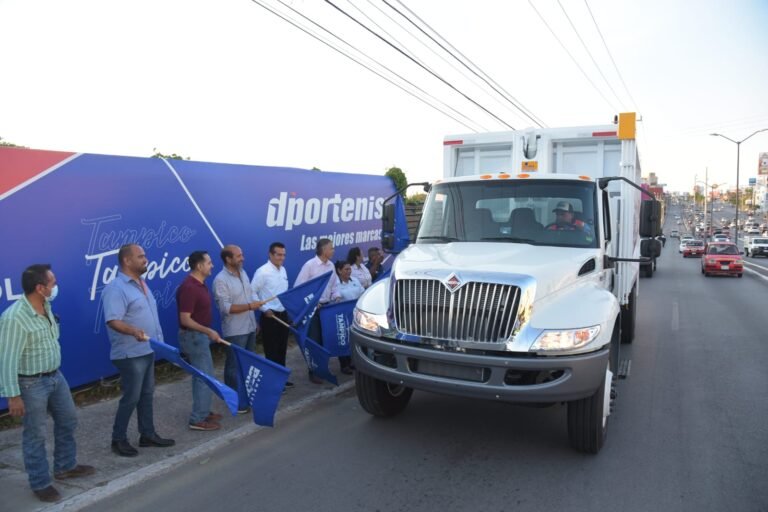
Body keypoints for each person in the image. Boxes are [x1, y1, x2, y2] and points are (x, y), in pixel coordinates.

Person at [0, 264, 95, 503]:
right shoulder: (14, 318)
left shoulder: (46, 305)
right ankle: (40, 483)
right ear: (40, 288)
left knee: (68, 420)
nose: (56, 286)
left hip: (55, 376)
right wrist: (13, 395)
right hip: (31, 384)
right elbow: (7, 359)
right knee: (35, 434)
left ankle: (65, 466)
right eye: (52, 283)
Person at [103, 244, 175, 458]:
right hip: (130, 353)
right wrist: (133, 330)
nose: (145, 259)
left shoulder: (141, 284)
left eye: (144, 256)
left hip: (146, 349)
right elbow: (113, 320)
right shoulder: (116, 289)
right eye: (140, 256)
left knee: (146, 395)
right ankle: (118, 439)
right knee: (131, 397)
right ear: (127, 260)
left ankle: (147, 434)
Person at [177, 251, 226, 431]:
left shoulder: (200, 284)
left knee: (205, 376)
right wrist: (208, 331)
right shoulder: (189, 287)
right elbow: (185, 319)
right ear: (199, 266)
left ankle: (203, 411)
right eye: (209, 262)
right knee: (204, 378)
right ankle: (197, 419)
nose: (212, 265)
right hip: (194, 337)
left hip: (199, 337)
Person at [213, 245, 264, 413]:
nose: (242, 258)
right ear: (228, 259)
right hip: (235, 331)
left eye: (242, 255)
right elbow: (225, 308)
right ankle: (235, 400)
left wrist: (254, 320)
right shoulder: (220, 280)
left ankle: (248, 396)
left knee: (249, 365)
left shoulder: (243, 273)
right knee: (234, 367)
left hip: (249, 327)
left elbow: (249, 296)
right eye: (239, 256)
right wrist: (250, 306)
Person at [294, 238, 341, 383]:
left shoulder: (331, 266)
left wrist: (336, 296)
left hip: (327, 308)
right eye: (331, 248)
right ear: (323, 250)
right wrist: (313, 303)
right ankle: (313, 371)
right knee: (314, 341)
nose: (333, 250)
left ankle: (322, 368)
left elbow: (335, 284)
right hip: (313, 310)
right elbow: (299, 288)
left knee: (325, 340)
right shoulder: (310, 265)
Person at [251, 242, 293, 388]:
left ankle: (281, 379)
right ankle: (272, 383)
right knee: (271, 350)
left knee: (282, 349)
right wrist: (264, 309)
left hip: (283, 314)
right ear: (270, 254)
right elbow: (252, 292)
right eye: (278, 254)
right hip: (270, 316)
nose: (282, 258)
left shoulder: (283, 270)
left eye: (284, 255)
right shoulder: (262, 272)